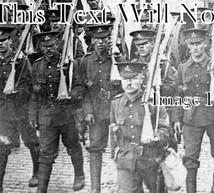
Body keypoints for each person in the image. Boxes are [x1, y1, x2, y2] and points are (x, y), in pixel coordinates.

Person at [0, 25, 39, 193]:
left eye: (3, 40)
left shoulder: (21, 61)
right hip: (4, 111)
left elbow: (30, 86)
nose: (0, 44)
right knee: (1, 146)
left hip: (22, 110)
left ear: (10, 41)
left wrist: (17, 90)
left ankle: (37, 173)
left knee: (31, 142)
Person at [28, 31, 86, 193]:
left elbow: (79, 87)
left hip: (67, 114)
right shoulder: (37, 65)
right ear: (40, 47)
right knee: (46, 153)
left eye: (52, 45)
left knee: (73, 146)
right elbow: (34, 93)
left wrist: (69, 95)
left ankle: (79, 175)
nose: (49, 49)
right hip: (47, 115)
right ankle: (42, 189)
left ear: (57, 45)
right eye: (45, 46)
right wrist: (33, 115)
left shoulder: (69, 63)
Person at [174, 28, 214, 193]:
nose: (195, 48)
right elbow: (178, 95)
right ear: (188, 46)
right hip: (191, 117)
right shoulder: (183, 68)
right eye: (192, 44)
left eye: (199, 44)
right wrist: (176, 118)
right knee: (190, 157)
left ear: (205, 44)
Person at [110, 61, 171, 192]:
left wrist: (157, 136)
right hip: (126, 159)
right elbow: (113, 129)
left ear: (141, 78)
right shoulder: (116, 103)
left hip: (150, 158)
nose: (129, 83)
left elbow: (165, 129)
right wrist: (113, 154)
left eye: (133, 78)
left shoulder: (153, 101)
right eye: (125, 79)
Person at [77, 24, 122, 193]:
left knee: (121, 148)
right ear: (92, 40)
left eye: (104, 38)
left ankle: (123, 186)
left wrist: (118, 58)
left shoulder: (116, 59)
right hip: (96, 112)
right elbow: (83, 91)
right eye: (97, 39)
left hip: (116, 110)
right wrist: (87, 111)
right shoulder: (86, 62)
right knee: (95, 148)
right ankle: (95, 188)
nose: (101, 42)